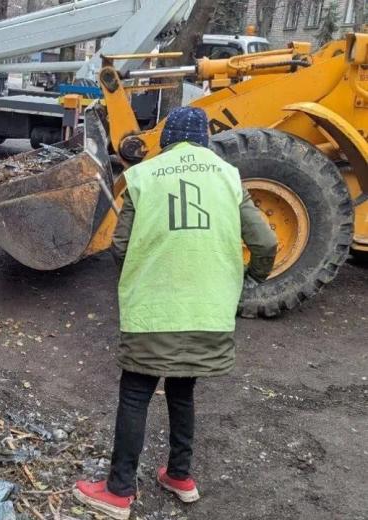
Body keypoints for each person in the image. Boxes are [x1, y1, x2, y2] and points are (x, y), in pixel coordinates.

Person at [73, 107, 278, 520]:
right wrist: (248, 278)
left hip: (154, 311)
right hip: (207, 311)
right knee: (183, 390)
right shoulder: (229, 177)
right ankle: (180, 476)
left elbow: (120, 246)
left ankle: (118, 491)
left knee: (136, 394)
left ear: (167, 139)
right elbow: (266, 242)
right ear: (204, 139)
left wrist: (140, 276)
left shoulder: (144, 176)